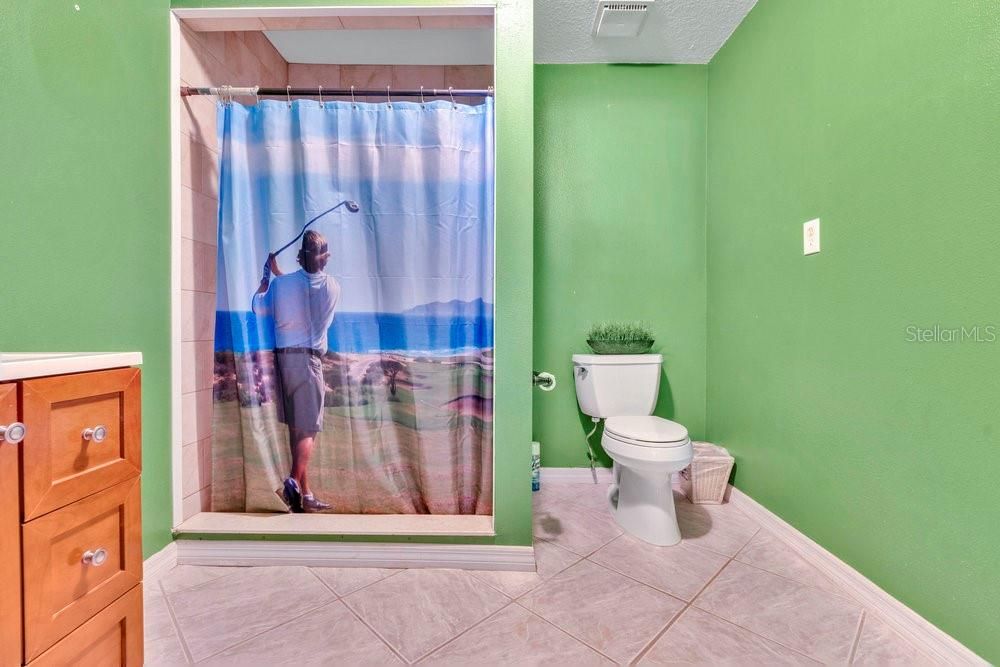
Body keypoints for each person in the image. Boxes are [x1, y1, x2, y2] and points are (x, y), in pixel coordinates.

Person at [253, 230, 340, 513]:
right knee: (308, 430)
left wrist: (268, 275)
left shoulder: (281, 286)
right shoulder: (332, 287)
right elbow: (302, 289)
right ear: (323, 259)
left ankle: (306, 495)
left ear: (300, 258)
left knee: (296, 428)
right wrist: (280, 275)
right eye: (325, 255)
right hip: (308, 363)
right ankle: (292, 480)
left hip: (284, 362)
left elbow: (259, 306)